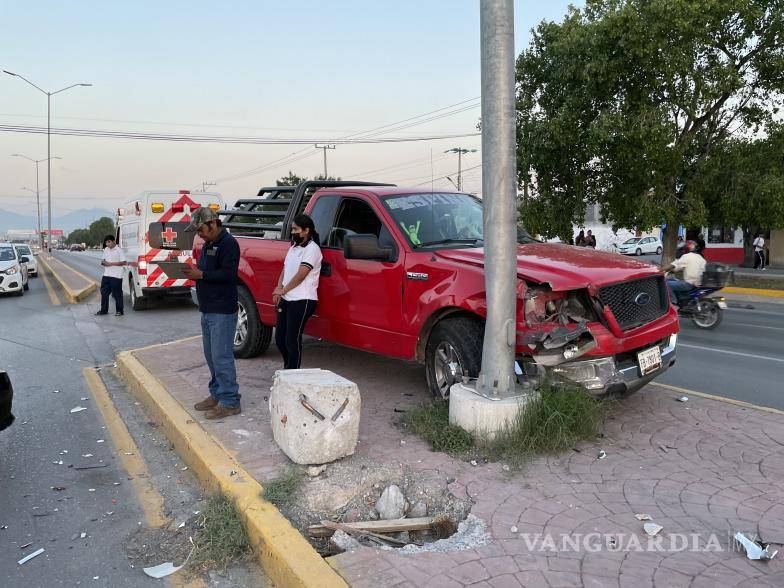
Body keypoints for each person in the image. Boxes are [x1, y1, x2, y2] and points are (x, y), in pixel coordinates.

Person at [182, 208, 242, 420]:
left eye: (201, 229)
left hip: (222, 311)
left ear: (214, 224)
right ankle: (217, 394)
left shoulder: (228, 244)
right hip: (207, 309)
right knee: (211, 355)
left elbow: (228, 274)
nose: (199, 234)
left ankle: (230, 401)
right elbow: (207, 273)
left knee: (221, 356)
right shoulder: (208, 244)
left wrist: (202, 274)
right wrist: (194, 274)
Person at [273, 214, 323, 370]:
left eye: (295, 229)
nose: (292, 232)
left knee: (291, 339)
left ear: (306, 231)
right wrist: (278, 287)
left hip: (303, 300)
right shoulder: (293, 248)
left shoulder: (312, 249)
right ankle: (289, 368)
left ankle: (293, 373)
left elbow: (301, 275)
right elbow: (285, 269)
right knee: (280, 339)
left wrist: (282, 291)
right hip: (287, 298)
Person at [662, 240, 706, 306]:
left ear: (686, 249)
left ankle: (673, 303)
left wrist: (659, 270)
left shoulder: (687, 256)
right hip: (698, 284)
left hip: (689, 284)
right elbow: (677, 268)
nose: (681, 251)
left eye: (682, 249)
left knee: (665, 283)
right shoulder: (701, 258)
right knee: (673, 280)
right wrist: (673, 270)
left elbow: (673, 265)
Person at [96, 235, 126, 317]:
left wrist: (111, 264)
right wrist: (104, 263)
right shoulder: (106, 250)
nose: (107, 244)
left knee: (117, 294)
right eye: (106, 242)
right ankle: (104, 310)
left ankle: (120, 311)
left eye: (109, 241)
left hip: (116, 276)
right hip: (106, 275)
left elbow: (123, 262)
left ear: (114, 241)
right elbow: (103, 261)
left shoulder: (119, 250)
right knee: (104, 293)